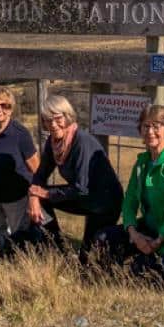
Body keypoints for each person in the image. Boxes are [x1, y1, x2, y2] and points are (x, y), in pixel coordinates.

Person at [25, 95, 124, 260]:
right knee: (40, 201)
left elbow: (81, 188)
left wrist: (47, 194)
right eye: (48, 120)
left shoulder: (81, 142)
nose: (53, 124)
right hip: (84, 198)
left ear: (67, 116)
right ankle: (56, 248)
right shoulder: (53, 143)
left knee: (88, 260)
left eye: (58, 118)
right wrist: (34, 196)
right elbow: (40, 174)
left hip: (104, 202)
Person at [108, 105, 164, 280]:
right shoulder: (142, 162)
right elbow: (129, 201)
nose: (150, 131)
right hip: (146, 230)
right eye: (146, 126)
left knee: (142, 275)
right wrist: (133, 233)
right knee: (104, 238)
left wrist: (158, 241)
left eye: (156, 126)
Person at [0, 87, 40, 254]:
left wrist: (35, 198)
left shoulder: (21, 134)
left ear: (12, 109)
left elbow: (36, 169)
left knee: (21, 243)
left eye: (5, 105)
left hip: (17, 198)